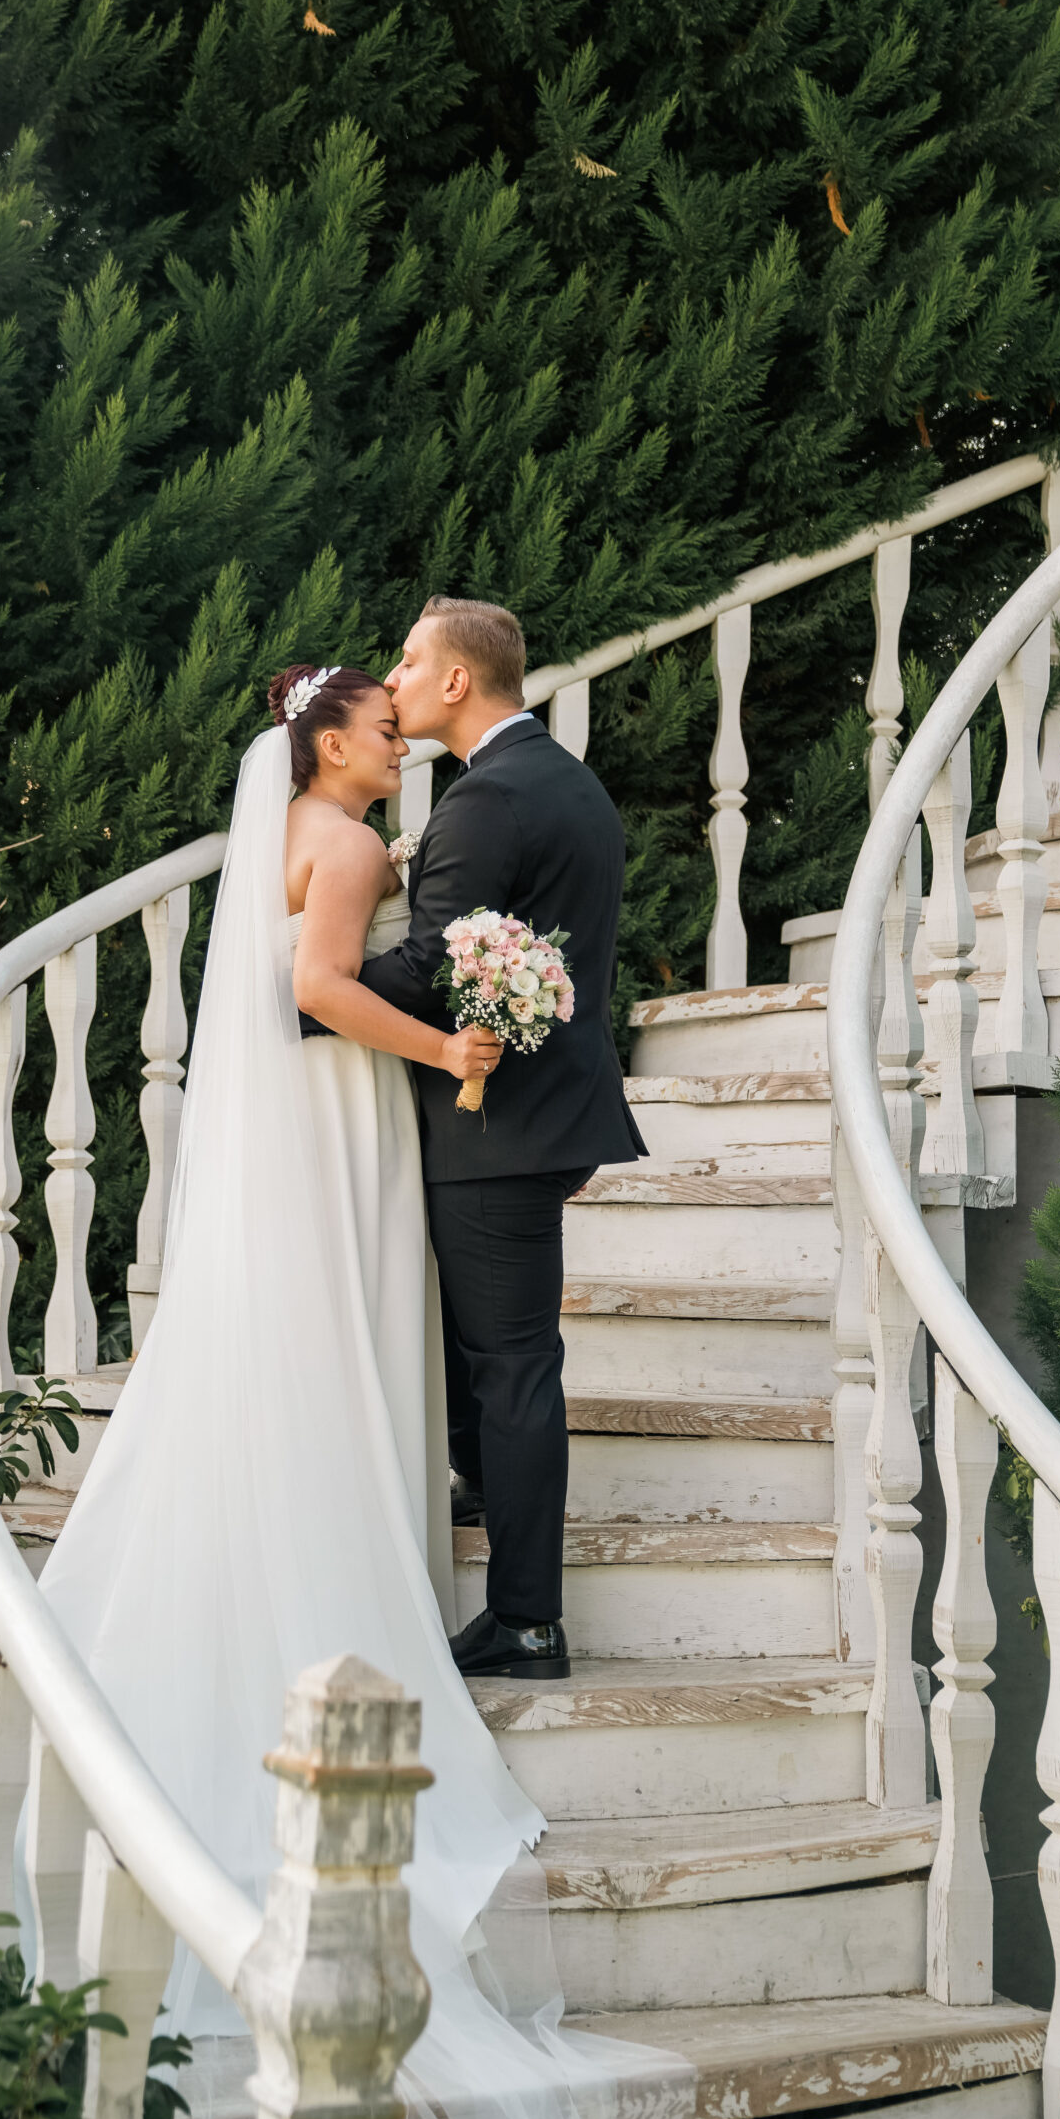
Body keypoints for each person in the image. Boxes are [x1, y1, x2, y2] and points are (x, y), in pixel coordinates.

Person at [33, 662, 685, 2119]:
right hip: (340, 1116)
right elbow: (319, 991)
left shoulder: (307, 835)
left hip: (317, 1122)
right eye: (381, 731)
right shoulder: (340, 845)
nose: (399, 744)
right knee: (353, 1330)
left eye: (403, 723)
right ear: (327, 743)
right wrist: (449, 1050)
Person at [360, 598, 645, 1684]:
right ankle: (483, 1483)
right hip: (549, 1113)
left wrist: (307, 992)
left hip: (500, 1127)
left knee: (514, 1366)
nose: (392, 678)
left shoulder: (485, 799)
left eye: (408, 660)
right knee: (484, 1350)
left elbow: (430, 963)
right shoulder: (565, 779)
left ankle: (526, 1621)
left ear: (454, 682)